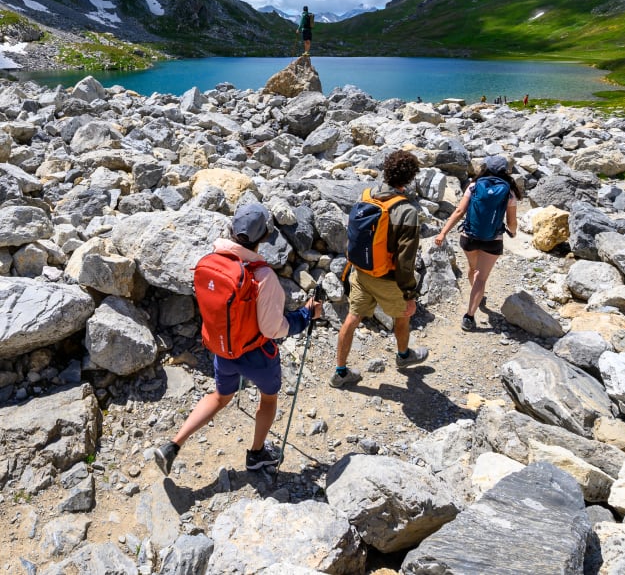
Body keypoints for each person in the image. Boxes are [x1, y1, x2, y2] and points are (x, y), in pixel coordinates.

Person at [154, 203, 323, 475]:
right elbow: (273, 329)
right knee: (268, 399)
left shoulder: (213, 260)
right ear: (264, 238)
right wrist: (305, 315)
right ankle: (256, 454)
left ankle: (172, 445)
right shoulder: (263, 276)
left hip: (223, 348)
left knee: (221, 396)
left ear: (231, 229)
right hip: (257, 354)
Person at [331, 150, 428, 388]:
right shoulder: (407, 211)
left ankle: (340, 372)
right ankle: (404, 356)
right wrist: (409, 293)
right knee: (403, 315)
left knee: (352, 319)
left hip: (361, 272)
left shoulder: (367, 195)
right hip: (388, 279)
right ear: (410, 178)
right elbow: (406, 261)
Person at [434, 155, 521, 332]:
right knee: (481, 277)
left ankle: (476, 295)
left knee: (473, 269)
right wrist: (513, 232)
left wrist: (443, 232)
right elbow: (512, 222)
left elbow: (459, 211)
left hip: (469, 238)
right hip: (493, 241)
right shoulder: (509, 192)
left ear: (485, 168)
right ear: (505, 171)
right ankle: (469, 316)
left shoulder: (473, 186)